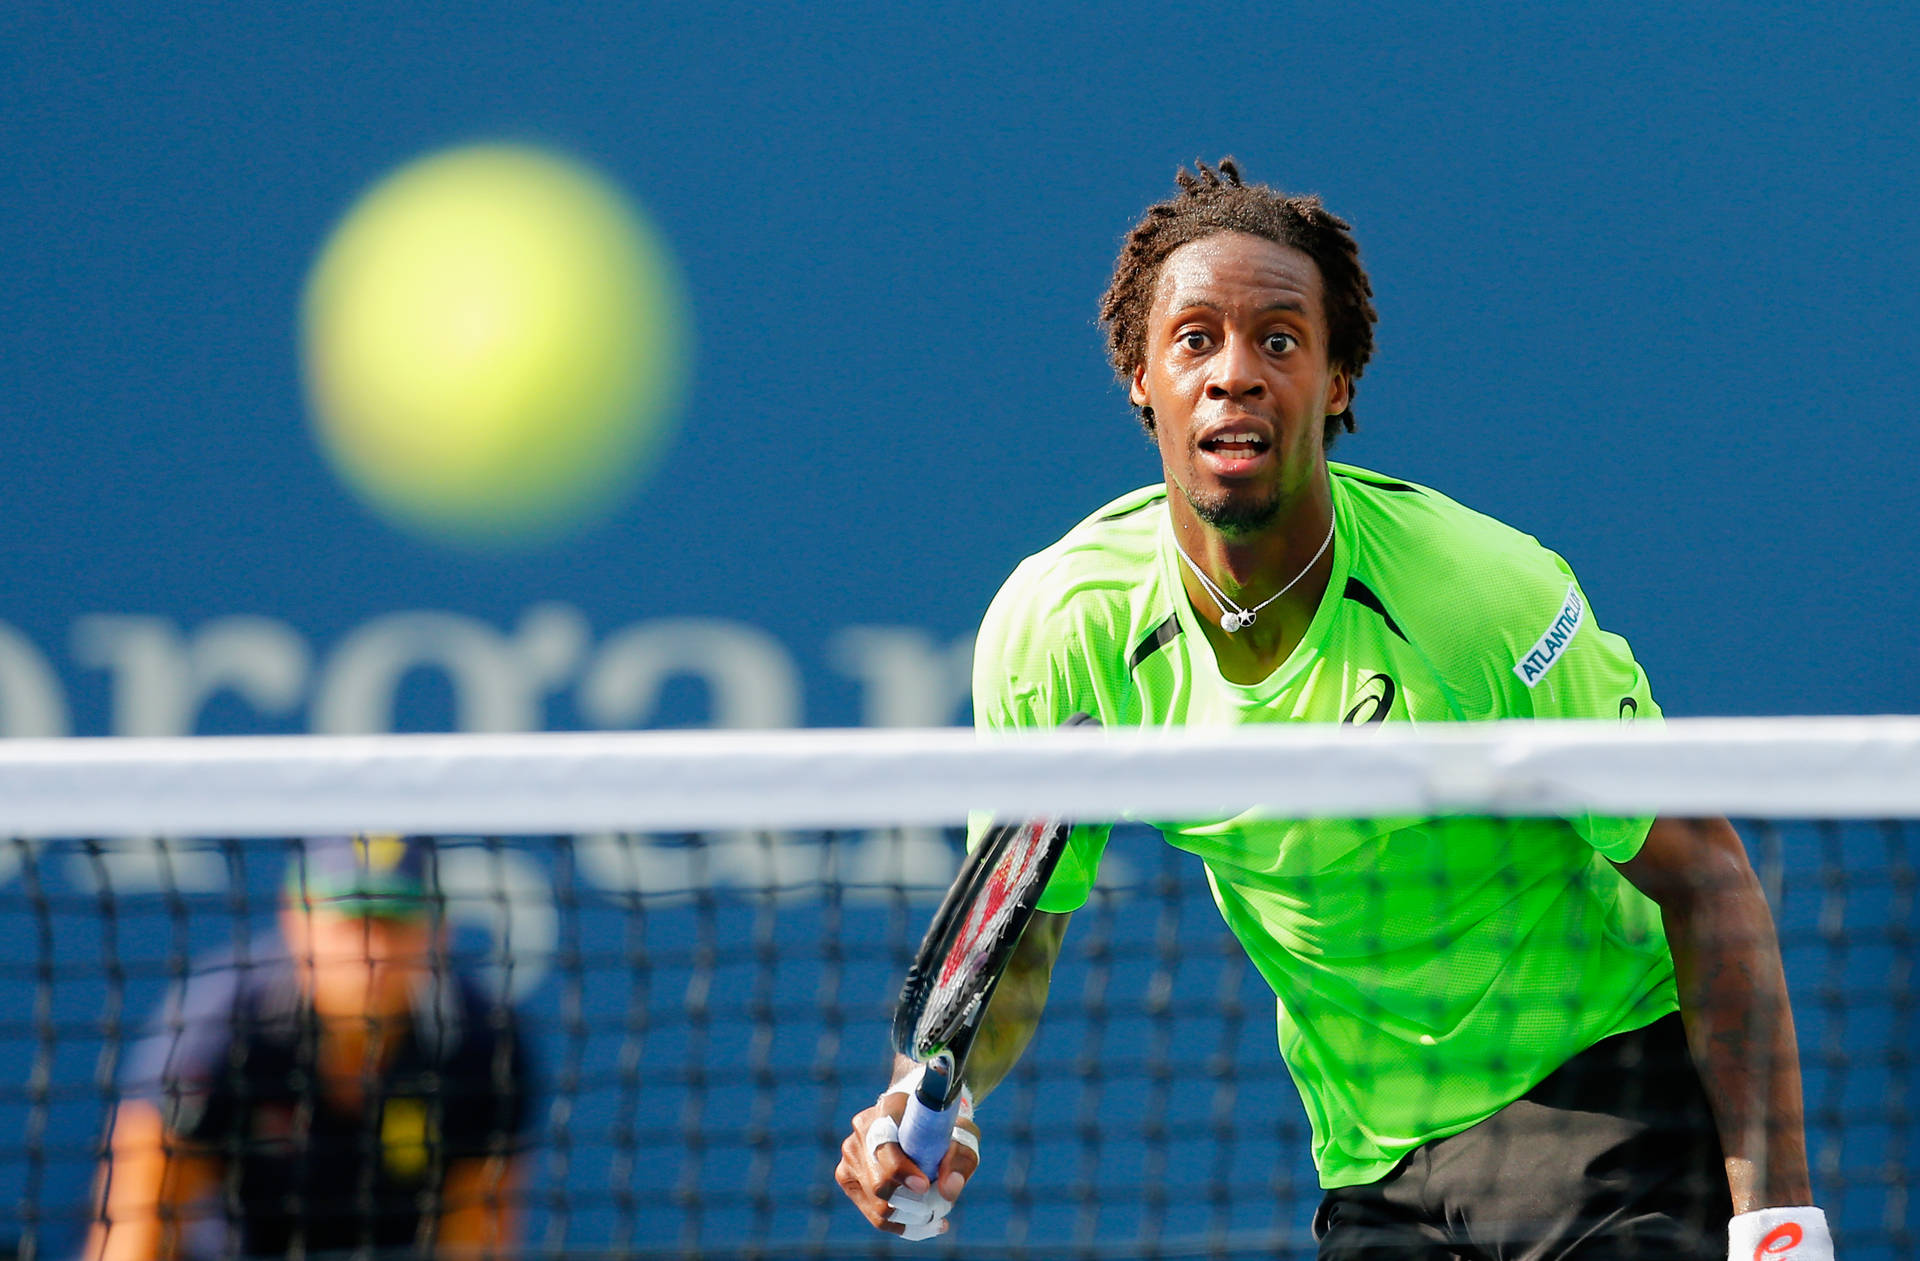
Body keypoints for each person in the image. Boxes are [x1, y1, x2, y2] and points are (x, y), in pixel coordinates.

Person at [836, 160, 1829, 1261]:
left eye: (1279, 339)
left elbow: (1705, 876)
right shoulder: (1061, 632)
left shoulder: (1475, 598)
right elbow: (1014, 935)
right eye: (1195, 339)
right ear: (1140, 377)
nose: (1234, 376)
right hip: (1371, 1163)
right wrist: (931, 1103)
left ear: (1339, 379)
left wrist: (1779, 1220)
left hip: (1603, 1098)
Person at [87, 834, 535, 1259]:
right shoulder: (215, 1029)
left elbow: (475, 1241)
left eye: (396, 919)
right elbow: (136, 1236)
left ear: (439, 932)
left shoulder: (483, 1046)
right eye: (351, 918)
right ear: (296, 918)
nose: (372, 949)